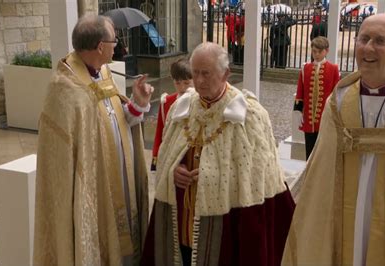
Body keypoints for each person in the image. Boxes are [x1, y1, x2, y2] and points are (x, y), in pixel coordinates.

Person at [282, 14, 385, 265]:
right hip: (343, 215)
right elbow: (320, 169)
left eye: (380, 41)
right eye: (363, 39)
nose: (368, 48)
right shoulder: (337, 103)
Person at [142, 42, 295, 266]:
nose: (199, 81)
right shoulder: (181, 108)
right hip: (183, 223)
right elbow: (165, 158)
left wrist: (212, 177)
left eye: (207, 73)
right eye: (195, 73)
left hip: (227, 226)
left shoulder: (250, 116)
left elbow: (258, 178)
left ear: (226, 74)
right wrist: (173, 171)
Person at [33, 14, 153, 265]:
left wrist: (138, 105)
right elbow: (64, 156)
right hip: (91, 188)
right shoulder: (65, 88)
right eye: (114, 41)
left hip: (120, 178)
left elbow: (115, 121)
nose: (117, 45)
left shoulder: (103, 72)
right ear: (101, 46)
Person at [293, 36, 340, 160]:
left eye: (319, 52)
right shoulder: (305, 68)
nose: (316, 54)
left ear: (326, 51)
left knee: (322, 151)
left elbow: (336, 93)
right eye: (314, 51)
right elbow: (300, 90)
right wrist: (298, 110)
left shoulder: (333, 69)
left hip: (325, 117)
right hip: (308, 118)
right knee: (309, 149)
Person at [151, 58, 193, 171]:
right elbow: (160, 133)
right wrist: (156, 157)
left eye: (187, 83)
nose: (182, 87)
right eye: (178, 83)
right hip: (171, 157)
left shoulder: (200, 102)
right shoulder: (167, 102)